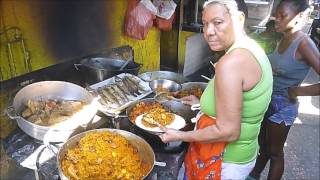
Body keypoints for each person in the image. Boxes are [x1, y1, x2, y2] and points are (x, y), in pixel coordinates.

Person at [158, 0, 273, 179]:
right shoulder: (251, 49)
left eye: (218, 22)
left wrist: (180, 135)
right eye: (205, 24)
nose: (209, 31)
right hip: (243, 154)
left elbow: (228, 131)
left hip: (224, 160)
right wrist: (201, 104)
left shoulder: (231, 63)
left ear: (239, 18)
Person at [248, 0, 320, 179]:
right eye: (276, 15)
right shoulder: (284, 38)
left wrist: (296, 91)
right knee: (263, 146)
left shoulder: (304, 44)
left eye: (282, 16)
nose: (276, 20)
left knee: (275, 152)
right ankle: (254, 175)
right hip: (268, 99)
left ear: (300, 17)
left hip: (283, 106)